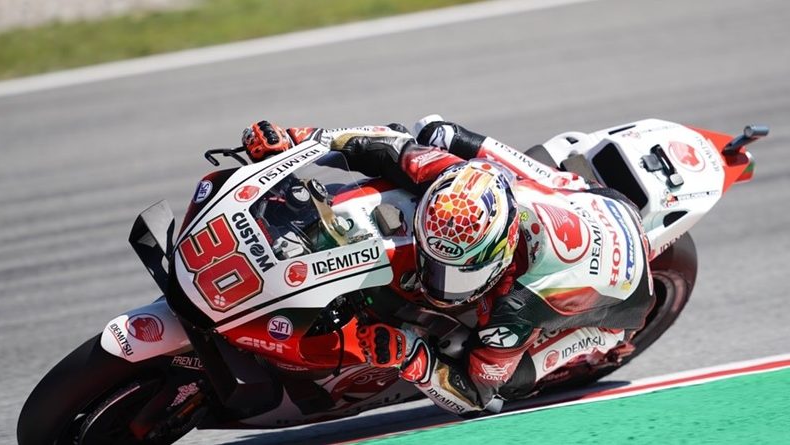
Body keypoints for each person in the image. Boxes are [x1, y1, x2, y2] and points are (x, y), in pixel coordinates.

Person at [242, 118, 655, 415]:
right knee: (435, 132)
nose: (437, 281)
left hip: (624, 293)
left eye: (455, 273)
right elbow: (385, 142)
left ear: (500, 254)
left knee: (503, 385)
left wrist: (411, 357)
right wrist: (298, 141)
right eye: (434, 261)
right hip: (575, 199)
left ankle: (602, 342)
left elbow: (474, 396)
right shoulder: (451, 179)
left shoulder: (516, 307)